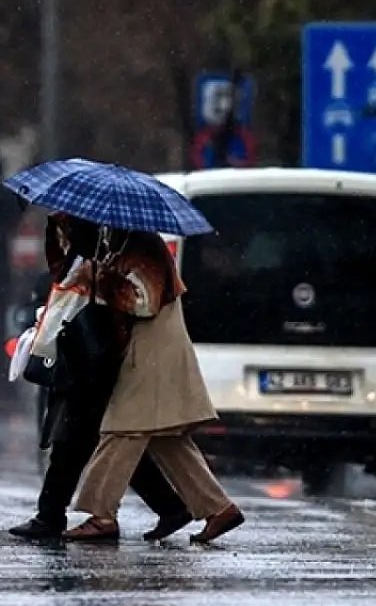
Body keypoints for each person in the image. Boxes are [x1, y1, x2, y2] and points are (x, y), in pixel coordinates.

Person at [9, 214, 192, 541]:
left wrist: (102, 276)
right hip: (78, 352)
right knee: (96, 442)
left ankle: (52, 515)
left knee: (77, 440)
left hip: (97, 356)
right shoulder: (94, 246)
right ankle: (168, 506)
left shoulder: (135, 247)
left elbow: (141, 302)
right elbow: (61, 275)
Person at [61, 225, 244, 543]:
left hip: (152, 350)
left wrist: (99, 278)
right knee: (165, 435)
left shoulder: (144, 247)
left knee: (122, 428)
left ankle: (101, 515)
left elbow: (144, 302)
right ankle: (219, 508)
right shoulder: (125, 244)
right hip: (150, 348)